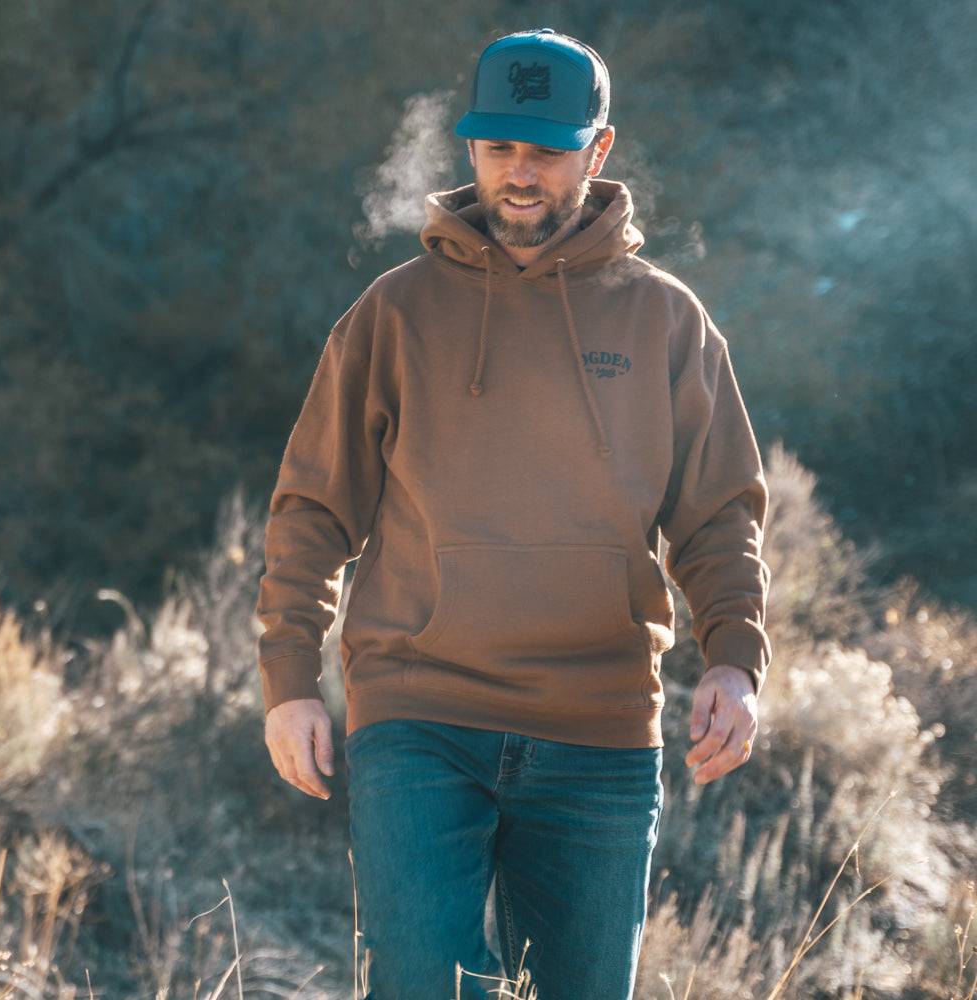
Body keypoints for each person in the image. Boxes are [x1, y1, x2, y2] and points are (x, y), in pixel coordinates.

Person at [257, 28, 770, 1000]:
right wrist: (289, 677)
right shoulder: (394, 313)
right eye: (498, 147)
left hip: (599, 731)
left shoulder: (665, 319)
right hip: (419, 714)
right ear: (471, 147)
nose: (520, 173)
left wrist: (734, 658)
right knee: (425, 984)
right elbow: (314, 507)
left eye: (546, 150)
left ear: (599, 150)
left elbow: (717, 514)